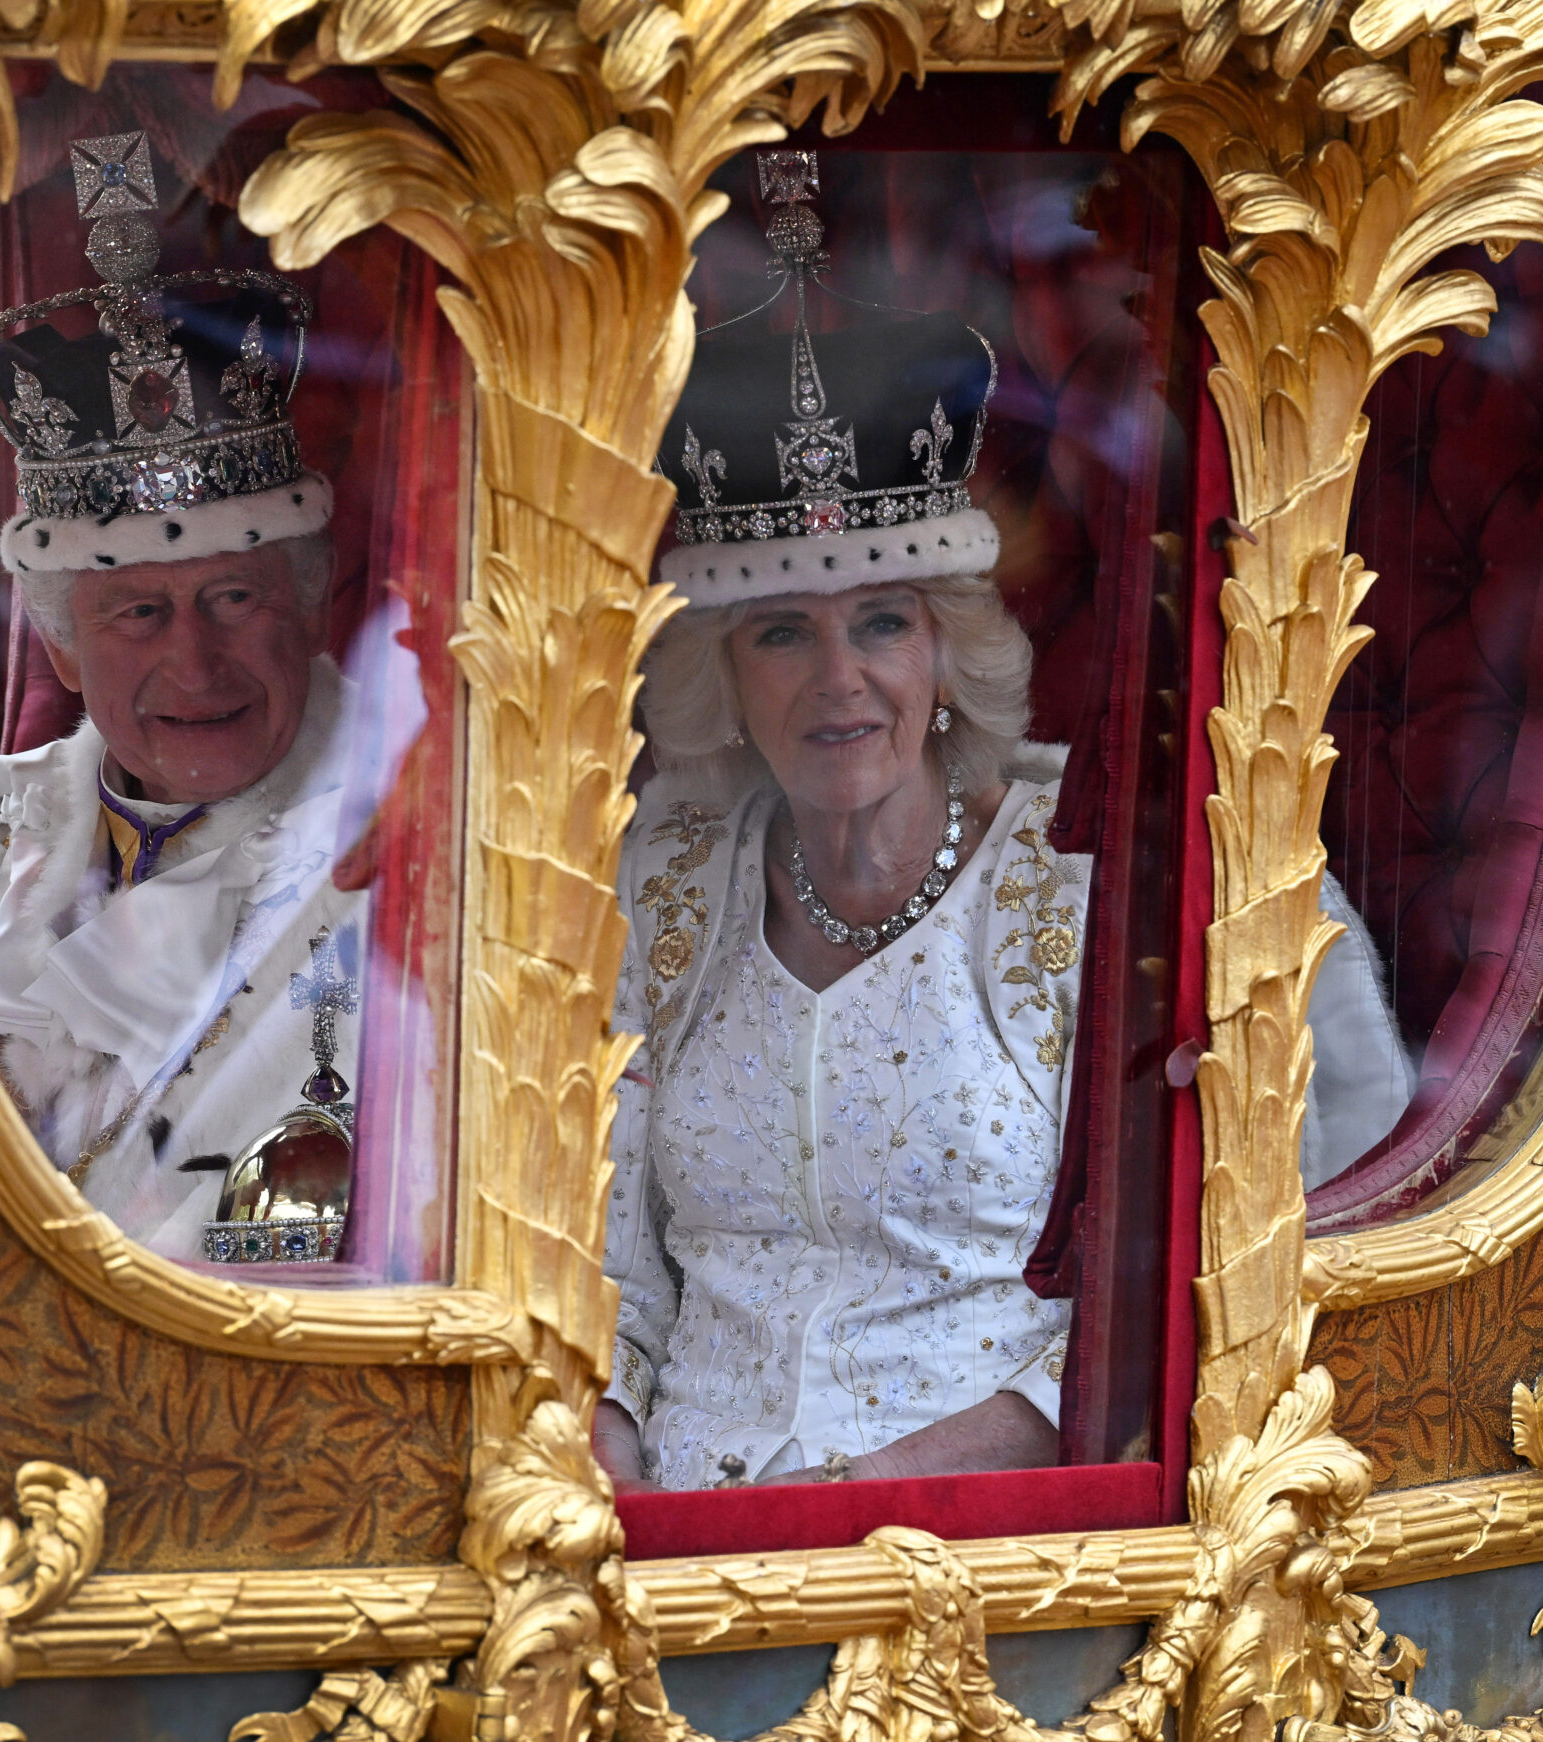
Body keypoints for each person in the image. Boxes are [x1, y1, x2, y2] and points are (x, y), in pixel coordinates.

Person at [595, 154, 1412, 1492]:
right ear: (726, 677)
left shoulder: (1100, 875)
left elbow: (1242, 1262)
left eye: (881, 625)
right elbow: (610, 1269)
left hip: (987, 1546)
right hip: (673, 1544)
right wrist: (608, 1463)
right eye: (782, 634)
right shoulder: (661, 882)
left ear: (948, 649)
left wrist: (874, 1496)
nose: (838, 680)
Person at [0, 132, 363, 1264]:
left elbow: (282, 1257)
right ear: (64, 649)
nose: (196, 662)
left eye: (232, 595)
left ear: (309, 599)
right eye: (138, 613)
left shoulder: (388, 851)